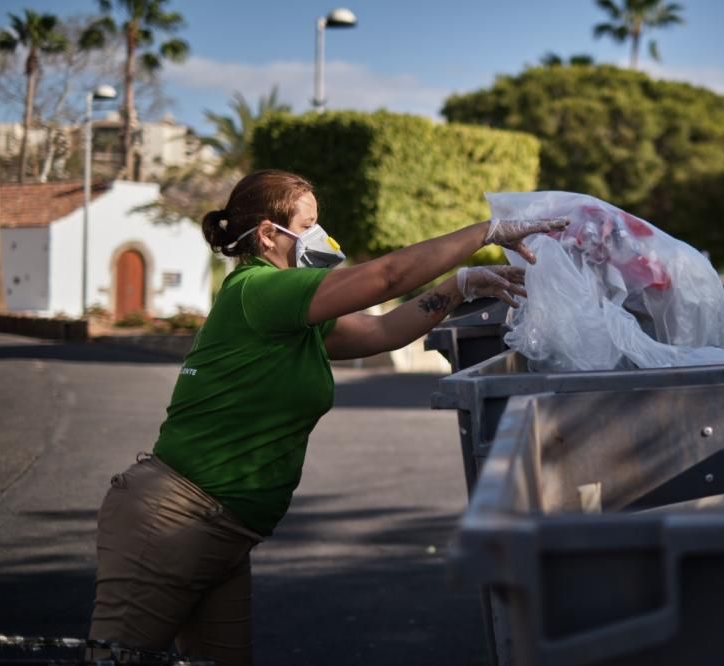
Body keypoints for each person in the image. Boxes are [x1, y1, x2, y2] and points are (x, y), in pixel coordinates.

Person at [87, 169, 565, 665]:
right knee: (119, 659)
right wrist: (484, 232)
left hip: (223, 531)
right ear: (270, 234)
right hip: (173, 521)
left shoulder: (296, 317)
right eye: (309, 223)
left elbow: (381, 333)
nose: (321, 235)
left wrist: (460, 288)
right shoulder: (259, 291)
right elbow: (387, 279)